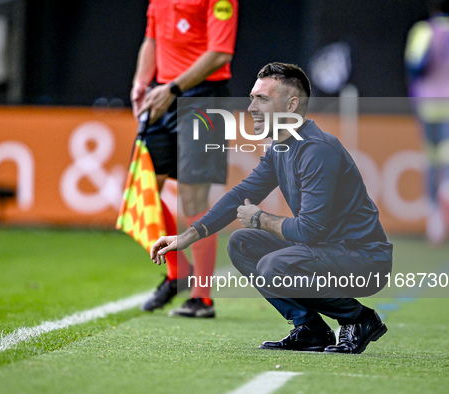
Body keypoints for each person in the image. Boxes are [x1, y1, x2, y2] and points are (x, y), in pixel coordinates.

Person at [150, 62, 393, 354]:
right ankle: (310, 328)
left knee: (273, 266)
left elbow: (311, 230)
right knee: (241, 243)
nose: (252, 107)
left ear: (291, 105)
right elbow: (241, 194)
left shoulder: (317, 149)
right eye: (253, 97)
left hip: (364, 262)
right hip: (328, 253)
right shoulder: (280, 147)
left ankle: (359, 318)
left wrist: (261, 219)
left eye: (262, 99)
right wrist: (186, 237)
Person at [131, 0, 238, 318]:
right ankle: (178, 273)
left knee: (193, 197)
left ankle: (202, 298)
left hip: (203, 97)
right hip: (163, 96)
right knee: (143, 188)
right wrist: (140, 84)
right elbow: (152, 39)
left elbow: (220, 53)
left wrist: (173, 87)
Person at [405, 0, 449, 245]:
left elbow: (415, 65)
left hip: (429, 102)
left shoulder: (424, 31)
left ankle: (435, 219)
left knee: (432, 158)